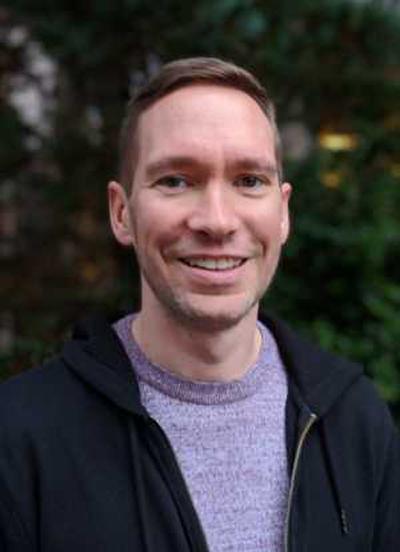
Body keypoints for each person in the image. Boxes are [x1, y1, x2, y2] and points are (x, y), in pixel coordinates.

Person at [0, 57, 398, 552]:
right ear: (122, 213)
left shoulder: (354, 420)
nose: (216, 221)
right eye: (176, 180)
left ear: (283, 213)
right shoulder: (19, 435)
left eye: (249, 180)